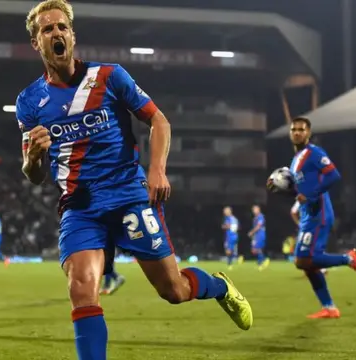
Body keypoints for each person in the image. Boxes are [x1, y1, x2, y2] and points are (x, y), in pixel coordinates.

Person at [17, 1, 252, 358]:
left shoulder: (110, 77)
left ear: (73, 35)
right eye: (47, 29)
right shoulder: (29, 101)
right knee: (81, 288)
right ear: (36, 43)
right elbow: (32, 175)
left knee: (173, 291)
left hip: (128, 195)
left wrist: (157, 170)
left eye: (62, 27)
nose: (56, 33)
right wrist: (33, 157)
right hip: (79, 206)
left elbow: (159, 121)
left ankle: (218, 287)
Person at [268, 116, 356, 319]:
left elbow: (333, 175)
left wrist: (312, 194)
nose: (297, 132)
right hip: (308, 214)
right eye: (294, 129)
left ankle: (350, 259)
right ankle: (330, 308)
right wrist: (282, 187)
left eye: (301, 129)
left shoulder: (314, 153)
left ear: (309, 133)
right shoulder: (296, 160)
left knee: (304, 260)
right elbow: (300, 188)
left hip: (319, 213)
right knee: (305, 263)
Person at [248, 205, 269, 270]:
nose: (254, 211)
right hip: (256, 235)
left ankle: (261, 263)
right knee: (254, 250)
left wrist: (252, 232)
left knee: (258, 248)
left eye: (255, 209)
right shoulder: (255, 218)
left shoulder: (260, 216)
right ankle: (263, 260)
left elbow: (259, 226)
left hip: (260, 234)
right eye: (253, 210)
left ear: (258, 209)